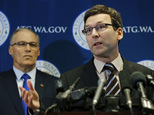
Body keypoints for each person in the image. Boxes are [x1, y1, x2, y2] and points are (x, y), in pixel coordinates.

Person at [20, 4, 154, 113]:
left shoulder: (145, 77)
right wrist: (38, 109)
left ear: (119, 33)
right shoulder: (69, 80)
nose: (94, 34)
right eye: (88, 30)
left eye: (101, 27)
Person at [0, 28, 58, 115]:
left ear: (38, 51)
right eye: (21, 44)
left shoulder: (54, 83)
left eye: (32, 44)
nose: (28, 49)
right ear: (10, 50)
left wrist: (37, 109)